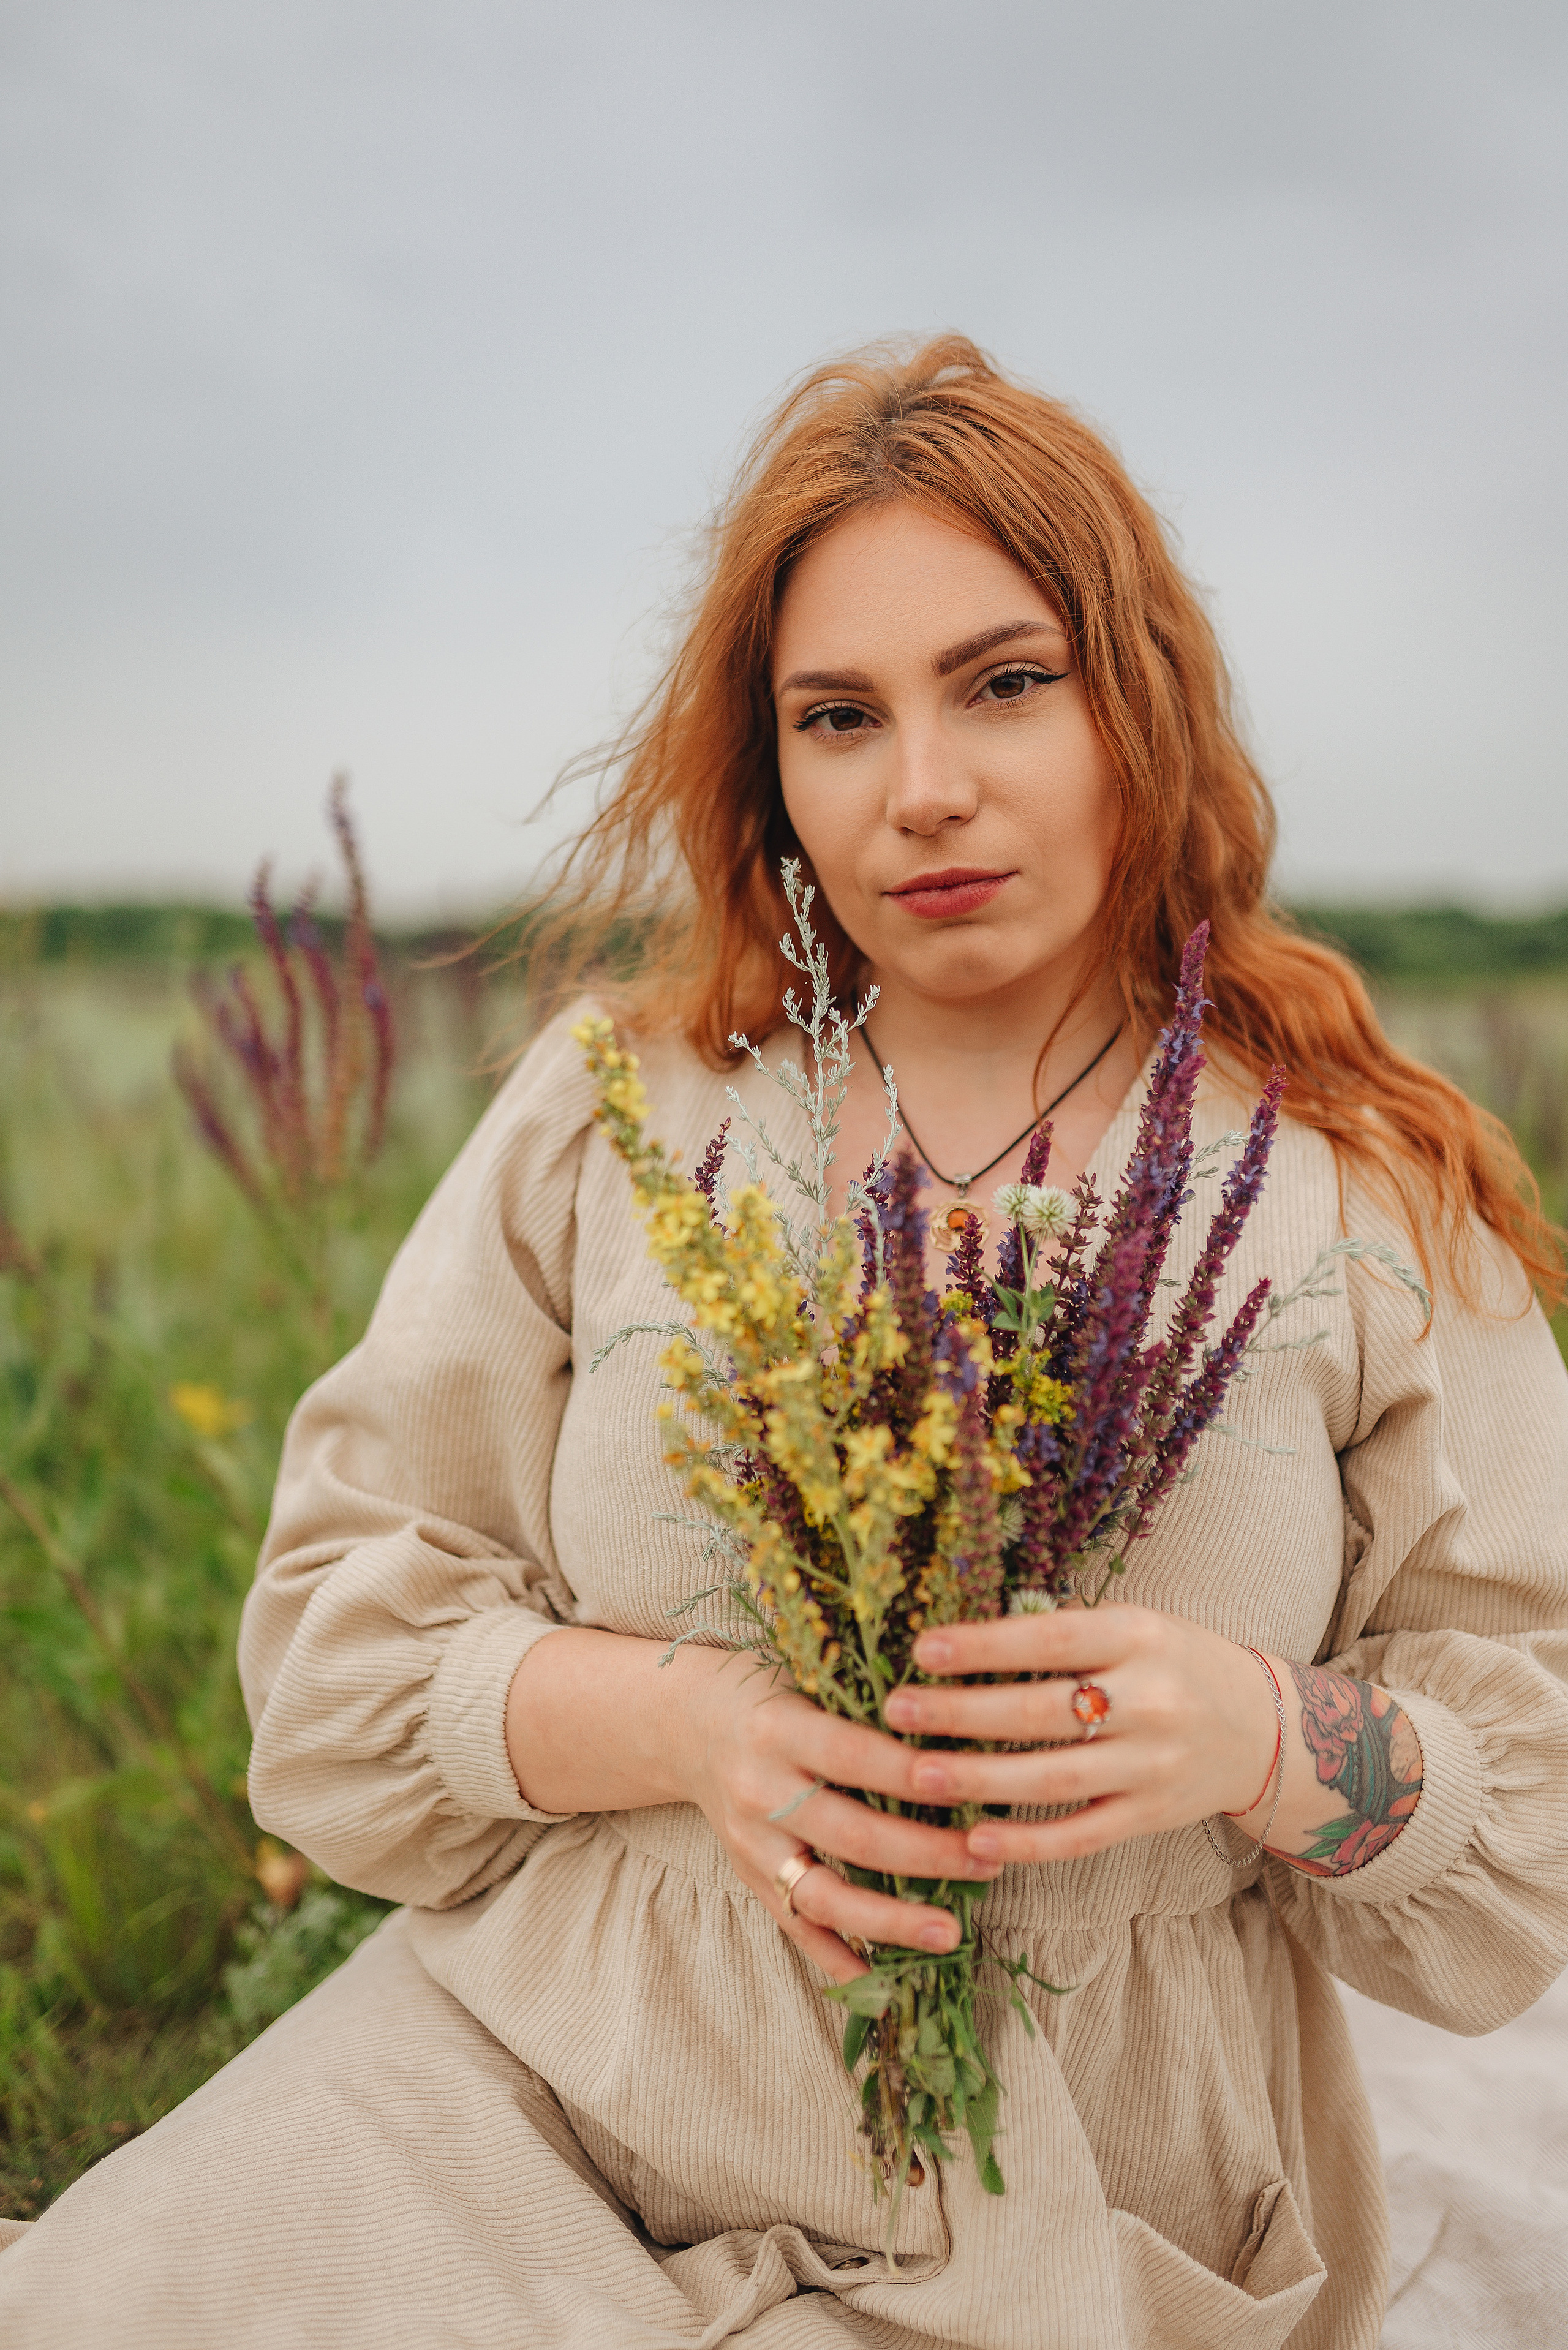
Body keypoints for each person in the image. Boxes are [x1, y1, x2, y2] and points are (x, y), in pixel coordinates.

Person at [3, 336, 1565, 2350]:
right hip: (529, 2114)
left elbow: (1527, 1807)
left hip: (1090, 2206)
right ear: (775, 775)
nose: (924, 788)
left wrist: (1264, 1738)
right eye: (839, 717)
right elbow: (330, 1656)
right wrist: (694, 1726)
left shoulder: (1363, 1188)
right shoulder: (620, 1115)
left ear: (1137, 706)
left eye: (1008, 681)